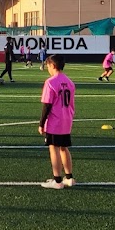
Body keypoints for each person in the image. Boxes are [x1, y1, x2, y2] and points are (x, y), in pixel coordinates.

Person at [39, 54, 76, 189]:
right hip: (67, 119)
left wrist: (41, 123)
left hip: (55, 121)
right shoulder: (70, 82)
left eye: (48, 65)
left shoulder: (50, 82)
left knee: (53, 148)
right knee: (63, 148)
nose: (47, 68)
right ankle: (69, 178)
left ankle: (57, 180)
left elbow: (47, 105)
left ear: (53, 66)